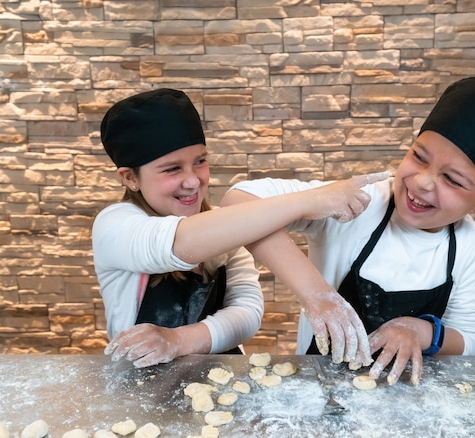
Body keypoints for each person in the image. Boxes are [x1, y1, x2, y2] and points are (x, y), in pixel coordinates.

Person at [222, 77, 475, 384]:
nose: (422, 181)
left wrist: (419, 331)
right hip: (321, 395)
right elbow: (237, 200)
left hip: (412, 405)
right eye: (419, 156)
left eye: (452, 180)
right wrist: (317, 294)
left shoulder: (470, 244)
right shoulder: (358, 205)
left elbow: (470, 340)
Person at [92, 88, 387, 368]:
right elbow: (179, 243)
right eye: (172, 169)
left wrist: (178, 340)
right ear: (130, 178)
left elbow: (247, 312)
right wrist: (309, 201)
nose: (193, 180)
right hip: (140, 385)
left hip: (218, 377)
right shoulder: (115, 225)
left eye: (200, 161)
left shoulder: (224, 223)